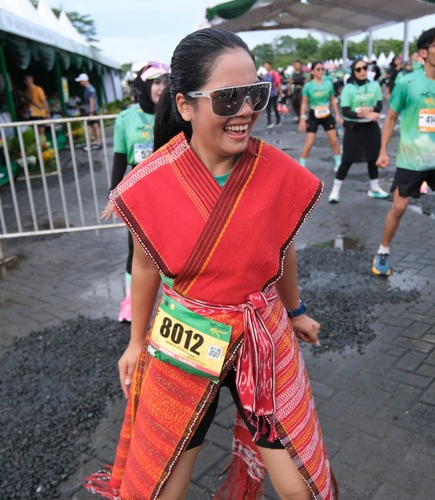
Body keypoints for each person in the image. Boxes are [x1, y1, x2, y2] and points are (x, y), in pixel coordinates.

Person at [86, 27, 337, 499]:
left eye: (255, 94)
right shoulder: (150, 183)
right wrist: (136, 342)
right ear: (185, 105)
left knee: (300, 488)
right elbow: (144, 266)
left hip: (261, 334)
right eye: (227, 98)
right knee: (161, 486)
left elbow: (282, 248)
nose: (246, 110)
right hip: (185, 337)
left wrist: (296, 310)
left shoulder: (276, 171)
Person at [372, 27, 435, 277]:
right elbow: (391, 117)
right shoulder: (406, 83)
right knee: (399, 208)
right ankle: (383, 251)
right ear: (423, 52)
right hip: (411, 159)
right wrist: (383, 151)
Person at [100, 61, 170, 322]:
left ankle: (173, 303)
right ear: (143, 86)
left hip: (170, 190)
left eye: (165, 82)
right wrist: (113, 196)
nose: (161, 88)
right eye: (156, 82)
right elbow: (120, 159)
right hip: (139, 194)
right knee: (136, 250)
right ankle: (132, 303)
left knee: (171, 249)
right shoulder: (126, 118)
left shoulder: (177, 112)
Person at [327, 58, 389, 203]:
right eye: (358, 69)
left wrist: (371, 109)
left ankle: (375, 188)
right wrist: (365, 114)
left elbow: (379, 106)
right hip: (354, 128)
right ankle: (335, 191)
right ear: (353, 72)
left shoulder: (374, 85)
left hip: (371, 127)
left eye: (364, 68)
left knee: (373, 158)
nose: (362, 71)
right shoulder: (348, 88)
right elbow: (346, 111)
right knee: (347, 160)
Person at [298, 61, 342, 171]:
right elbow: (304, 103)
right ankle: (301, 165)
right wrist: (302, 118)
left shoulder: (328, 84)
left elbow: (332, 100)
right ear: (312, 71)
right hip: (314, 114)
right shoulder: (308, 86)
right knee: (309, 142)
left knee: (334, 140)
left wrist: (337, 114)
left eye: (323, 69)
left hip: (327, 114)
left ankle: (339, 163)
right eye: (318, 69)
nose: (321, 71)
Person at [75, 73, 102, 150]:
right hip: (92, 111)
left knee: (89, 127)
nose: (80, 83)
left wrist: (91, 112)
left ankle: (91, 144)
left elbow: (91, 101)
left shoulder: (89, 89)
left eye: (80, 81)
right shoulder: (89, 88)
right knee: (95, 126)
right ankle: (97, 142)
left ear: (84, 80)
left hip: (91, 112)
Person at [23, 74, 50, 140]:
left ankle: (43, 144)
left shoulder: (38, 89)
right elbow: (28, 104)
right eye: (25, 80)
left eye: (27, 80)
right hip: (31, 114)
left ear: (31, 80)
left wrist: (47, 113)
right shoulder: (26, 92)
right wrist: (26, 113)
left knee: (41, 133)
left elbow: (44, 101)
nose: (26, 82)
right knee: (34, 134)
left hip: (39, 114)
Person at [262, 61, 283, 128]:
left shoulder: (275, 73)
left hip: (274, 93)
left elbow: (278, 83)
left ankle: (278, 121)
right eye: (265, 66)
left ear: (270, 66)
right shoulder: (265, 75)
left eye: (267, 65)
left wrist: (280, 92)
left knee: (275, 107)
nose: (266, 67)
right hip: (267, 94)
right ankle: (269, 122)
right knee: (268, 108)